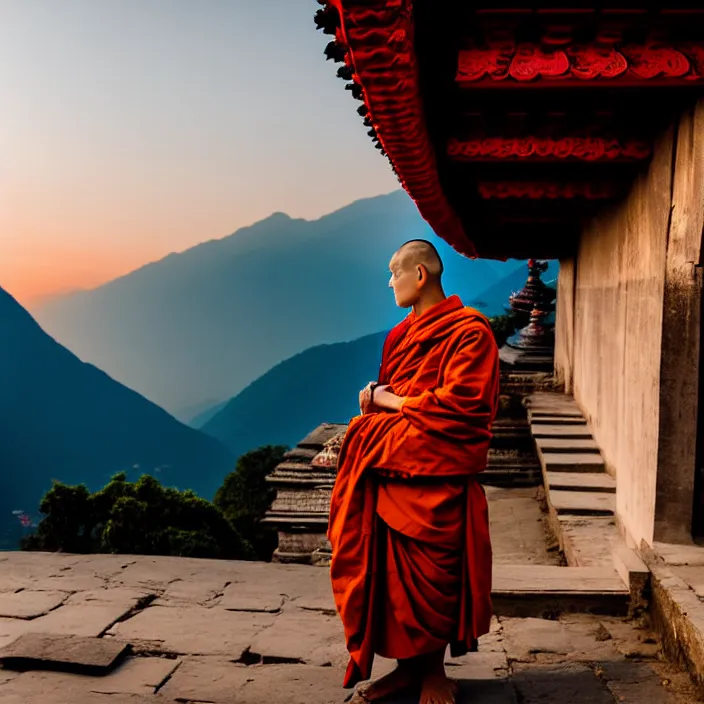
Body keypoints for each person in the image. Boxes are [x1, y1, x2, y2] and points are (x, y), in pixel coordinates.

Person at [328, 239, 499, 704]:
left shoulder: (470, 333)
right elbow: (398, 405)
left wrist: (387, 400)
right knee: (391, 581)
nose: (389, 282)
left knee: (436, 578)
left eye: (394, 272)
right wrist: (377, 401)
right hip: (394, 474)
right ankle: (409, 670)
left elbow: (462, 411)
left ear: (420, 275)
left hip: (436, 476)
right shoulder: (400, 336)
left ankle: (433, 673)